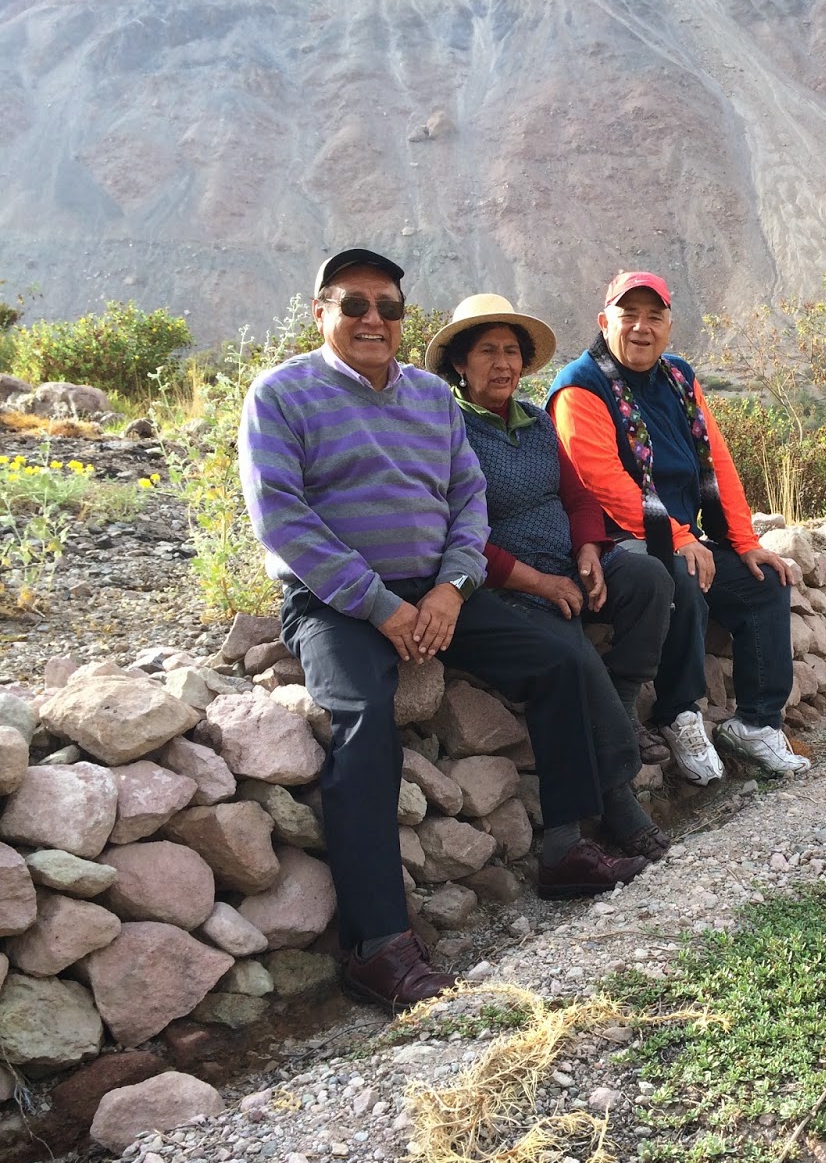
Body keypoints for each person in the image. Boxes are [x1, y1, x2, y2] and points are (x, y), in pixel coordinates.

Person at [239, 250, 660, 1011]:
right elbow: (283, 519)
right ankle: (378, 946)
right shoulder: (282, 395)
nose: (373, 320)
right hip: (337, 602)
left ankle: (564, 848)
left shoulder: (431, 398)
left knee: (560, 658)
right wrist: (382, 607)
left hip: (439, 594)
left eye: (388, 308)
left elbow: (468, 500)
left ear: (405, 318)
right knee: (365, 718)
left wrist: (451, 588)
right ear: (320, 312)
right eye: (354, 305)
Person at [547, 270, 811, 784]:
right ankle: (679, 715)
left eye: (654, 316)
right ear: (605, 322)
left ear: (669, 326)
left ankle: (755, 723)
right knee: (683, 579)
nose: (641, 327)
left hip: (678, 534)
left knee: (765, 582)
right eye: (629, 315)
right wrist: (684, 538)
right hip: (616, 544)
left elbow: (717, 462)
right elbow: (602, 481)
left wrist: (743, 542)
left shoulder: (678, 377)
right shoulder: (580, 386)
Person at [424, 293, 675, 766]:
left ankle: (624, 690)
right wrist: (539, 581)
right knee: (569, 648)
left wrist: (587, 551)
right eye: (487, 351)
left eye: (511, 351)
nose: (503, 364)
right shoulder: (447, 429)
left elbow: (577, 497)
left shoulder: (536, 421)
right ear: (459, 362)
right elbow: (454, 534)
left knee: (651, 578)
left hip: (566, 563)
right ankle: (613, 761)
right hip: (508, 582)